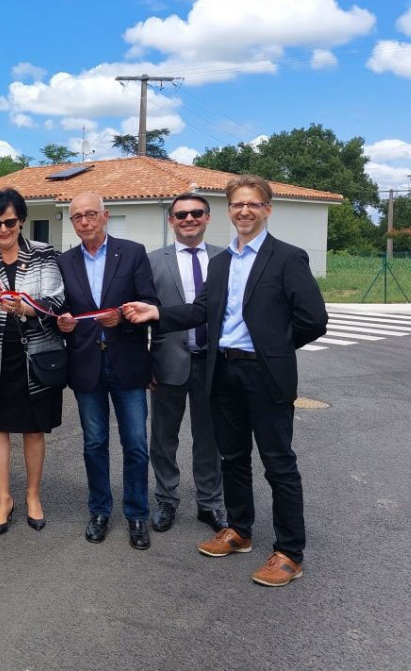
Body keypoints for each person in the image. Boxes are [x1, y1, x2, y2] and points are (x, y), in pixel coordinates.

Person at [123, 175, 328, 586]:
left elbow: (314, 320)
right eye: (238, 204)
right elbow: (201, 310)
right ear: (230, 210)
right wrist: (157, 314)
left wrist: (271, 349)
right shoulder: (222, 263)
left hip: (265, 374)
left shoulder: (287, 257)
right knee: (232, 458)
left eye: (253, 204)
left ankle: (289, 551)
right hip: (223, 372)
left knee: (278, 463)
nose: (245, 211)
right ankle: (240, 530)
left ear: (267, 209)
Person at [56, 192, 158, 551]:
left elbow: (151, 304)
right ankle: (99, 510)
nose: (84, 222)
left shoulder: (132, 252)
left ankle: (136, 514)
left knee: (136, 445)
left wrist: (123, 320)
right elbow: (60, 309)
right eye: (77, 217)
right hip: (86, 364)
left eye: (90, 215)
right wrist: (62, 325)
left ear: (105, 216)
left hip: (127, 362)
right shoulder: (64, 261)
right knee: (94, 443)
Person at [0, 188, 66, 536]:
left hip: (35, 357)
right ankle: (3, 499)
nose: (3, 230)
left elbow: (55, 300)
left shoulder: (43, 254)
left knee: (34, 430)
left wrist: (25, 307)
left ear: (21, 220)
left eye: (9, 222)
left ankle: (33, 496)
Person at [147, 194, 227, 535]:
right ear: (171, 221)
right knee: (163, 438)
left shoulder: (226, 259)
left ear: (208, 217)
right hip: (166, 363)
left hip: (214, 365)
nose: (189, 219)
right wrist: (142, 363)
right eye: (181, 215)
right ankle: (166, 499)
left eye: (196, 213)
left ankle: (210, 504)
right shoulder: (152, 261)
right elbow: (142, 315)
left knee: (210, 438)